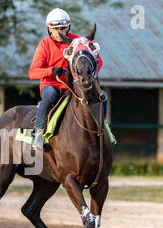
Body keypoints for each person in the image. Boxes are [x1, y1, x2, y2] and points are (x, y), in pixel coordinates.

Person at [28, 8, 106, 149]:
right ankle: (38, 134)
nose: (59, 32)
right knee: (49, 97)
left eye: (63, 28)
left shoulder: (77, 41)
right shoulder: (44, 45)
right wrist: (51, 71)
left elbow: (98, 61)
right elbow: (32, 73)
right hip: (51, 86)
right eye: (55, 28)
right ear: (49, 29)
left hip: (73, 87)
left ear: (68, 27)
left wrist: (90, 74)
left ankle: (104, 132)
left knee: (102, 96)